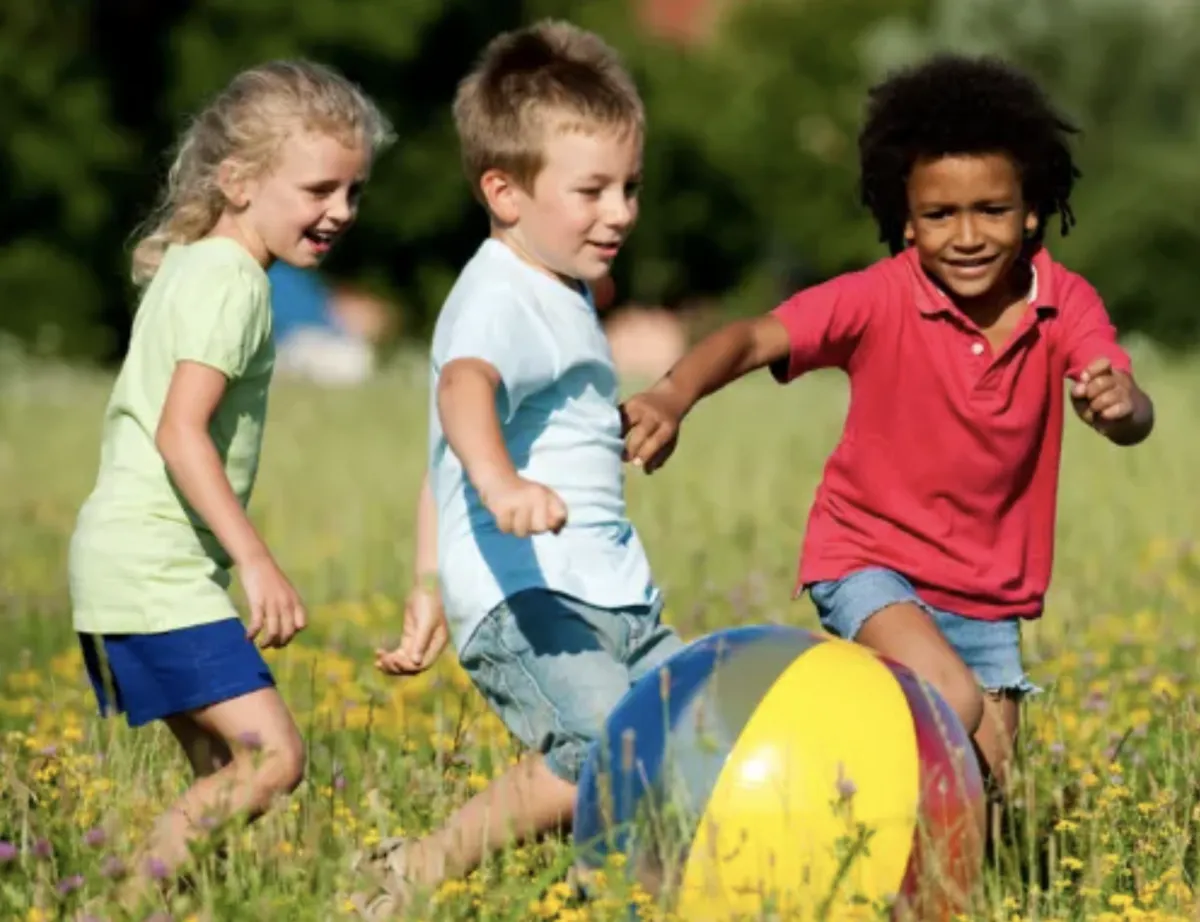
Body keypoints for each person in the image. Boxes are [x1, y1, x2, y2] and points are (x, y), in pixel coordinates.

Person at [620, 54, 1155, 829]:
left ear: (1032, 210)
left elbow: (1124, 401)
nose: (967, 236)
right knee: (951, 699)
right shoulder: (877, 298)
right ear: (906, 219)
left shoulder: (1062, 302)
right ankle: (803, 787)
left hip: (989, 592)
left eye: (992, 210)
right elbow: (753, 335)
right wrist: (674, 393)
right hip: (867, 558)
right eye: (940, 215)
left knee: (991, 798)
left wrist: (1119, 404)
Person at [359, 19, 685, 915]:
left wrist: (425, 578)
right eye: (592, 190)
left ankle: (624, 893)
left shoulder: (559, 289)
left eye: (629, 187)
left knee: (691, 731)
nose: (620, 211)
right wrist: (503, 486)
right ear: (503, 191)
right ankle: (421, 867)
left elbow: (441, 456)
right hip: (532, 598)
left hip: (610, 593)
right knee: (609, 753)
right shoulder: (499, 295)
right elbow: (462, 395)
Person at [68, 59, 393, 904]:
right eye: (319, 188)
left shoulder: (197, 263)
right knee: (273, 757)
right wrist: (256, 560)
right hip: (155, 568)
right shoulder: (234, 282)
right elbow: (182, 432)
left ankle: (182, 905)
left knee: (219, 772)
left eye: (353, 192)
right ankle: (121, 905)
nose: (341, 213)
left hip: (128, 560)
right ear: (239, 182)